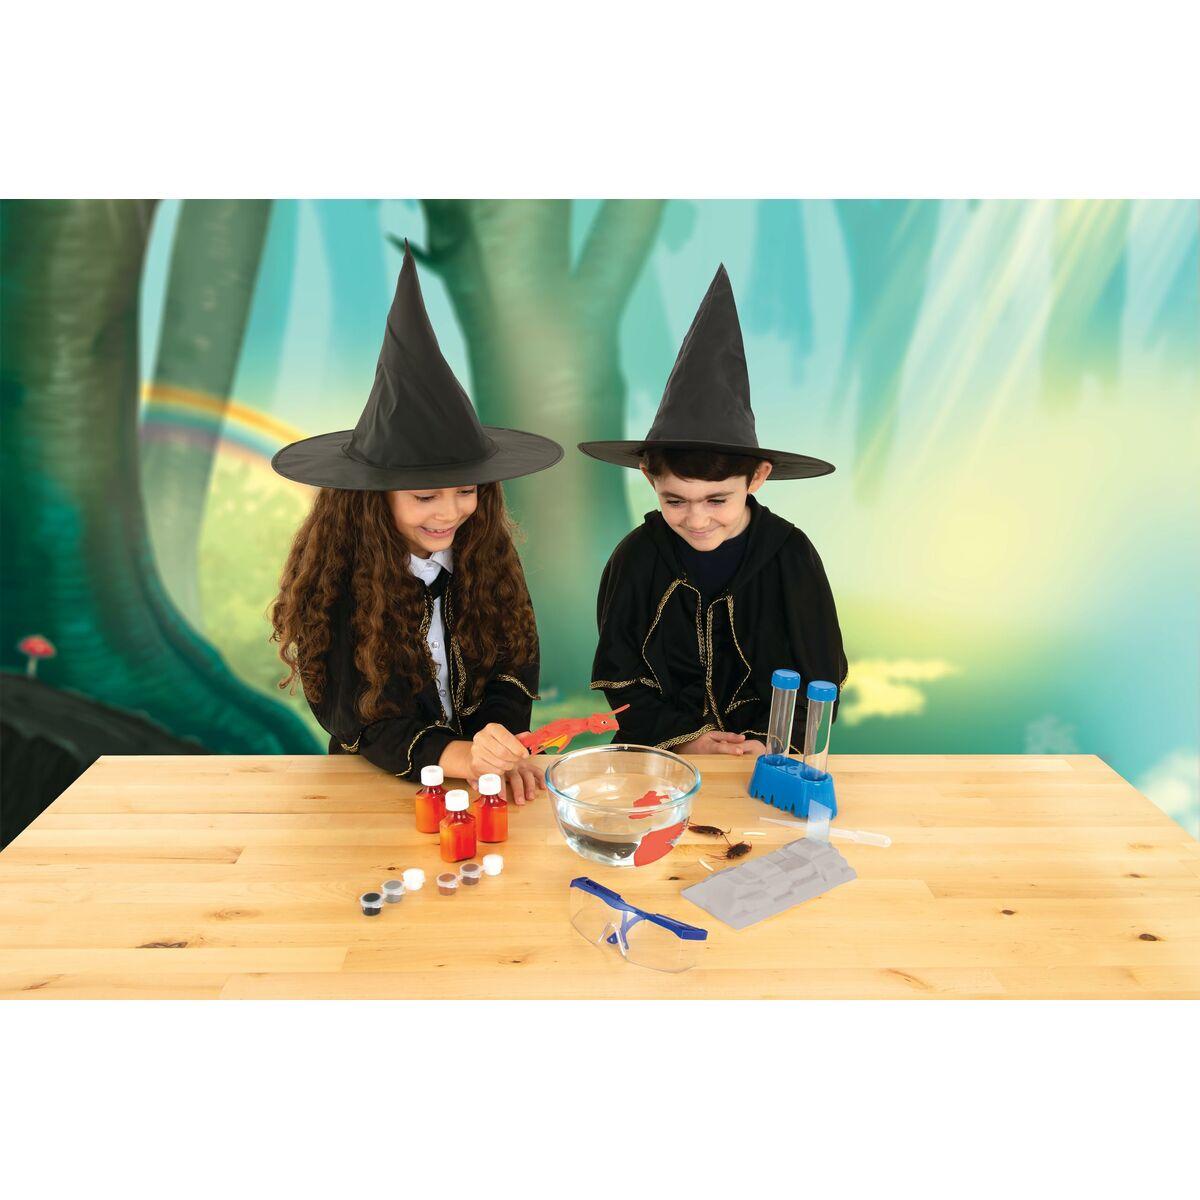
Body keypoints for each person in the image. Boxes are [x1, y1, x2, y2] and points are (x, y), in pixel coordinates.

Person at [269, 245, 563, 802]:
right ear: (373, 499)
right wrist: (459, 757)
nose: (450, 512)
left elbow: (514, 662)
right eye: (425, 496)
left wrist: (498, 742)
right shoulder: (340, 577)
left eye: (466, 491)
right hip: (378, 784)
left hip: (485, 780)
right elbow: (356, 718)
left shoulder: (484, 552)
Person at [580, 263, 847, 756]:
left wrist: (770, 743)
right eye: (674, 500)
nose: (697, 520)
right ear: (649, 479)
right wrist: (687, 741)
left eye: (717, 500)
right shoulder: (637, 558)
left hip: (766, 757)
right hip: (665, 757)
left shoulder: (791, 555)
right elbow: (622, 677)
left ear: (757, 477)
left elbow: (822, 673)